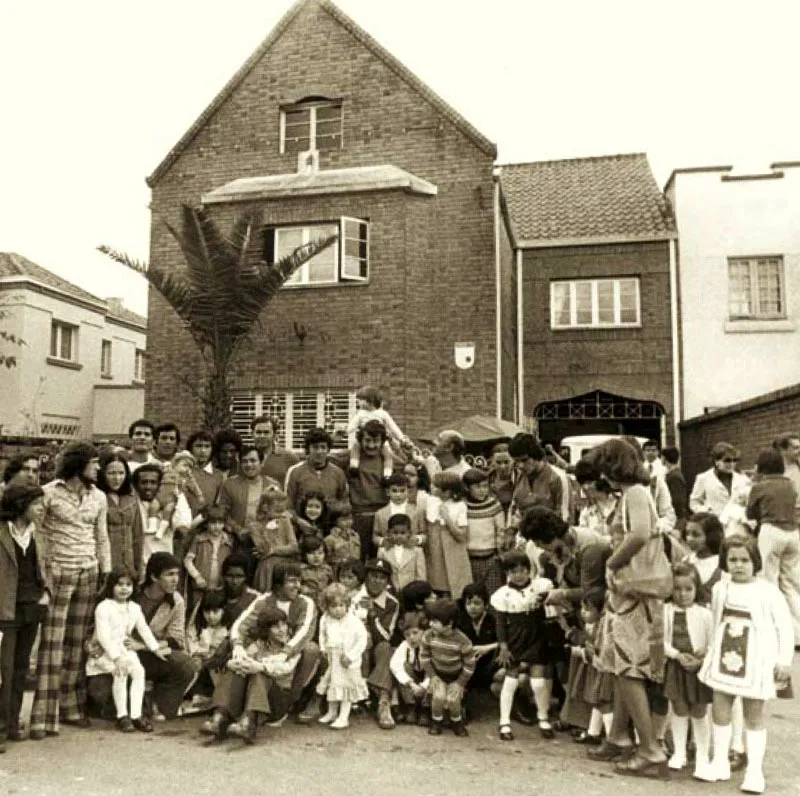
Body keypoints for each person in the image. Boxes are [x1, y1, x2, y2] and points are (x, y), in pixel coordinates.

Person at [584, 439, 672, 779]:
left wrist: (613, 562)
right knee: (620, 664)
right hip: (627, 591)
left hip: (634, 591)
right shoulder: (632, 493)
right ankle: (619, 735)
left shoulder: (635, 492)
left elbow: (639, 534)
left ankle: (651, 749)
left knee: (630, 669)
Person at [698, 535, 793, 793]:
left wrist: (784, 660)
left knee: (753, 714)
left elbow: (784, 626)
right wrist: (710, 652)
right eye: (733, 560)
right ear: (725, 562)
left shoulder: (767, 591)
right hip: (724, 657)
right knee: (720, 709)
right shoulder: (721, 589)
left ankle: (754, 771)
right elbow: (716, 621)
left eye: (744, 560)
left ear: (755, 562)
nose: (739, 565)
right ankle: (719, 762)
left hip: (756, 660)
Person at [30, 442, 111, 739]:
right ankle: (43, 716)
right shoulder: (49, 492)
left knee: (77, 643)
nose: (98, 468)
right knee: (51, 643)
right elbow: (38, 534)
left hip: (88, 571)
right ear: (79, 465)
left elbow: (101, 536)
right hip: (59, 572)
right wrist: (43, 573)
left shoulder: (98, 496)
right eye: (94, 463)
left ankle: (71, 707)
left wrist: (106, 568)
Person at [203, 562, 320, 738]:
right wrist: (238, 650)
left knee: (307, 651)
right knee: (239, 665)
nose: (297, 585)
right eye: (292, 581)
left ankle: (258, 716)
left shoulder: (305, 603)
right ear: (279, 583)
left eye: (299, 581)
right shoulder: (264, 601)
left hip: (284, 675)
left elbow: (304, 632)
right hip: (263, 658)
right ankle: (220, 716)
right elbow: (240, 626)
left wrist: (284, 653)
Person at [85, 567, 167, 733]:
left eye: (128, 584)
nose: (124, 588)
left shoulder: (134, 608)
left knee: (139, 671)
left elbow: (143, 629)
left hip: (123, 648)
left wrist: (155, 648)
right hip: (104, 651)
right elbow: (103, 636)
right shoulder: (104, 606)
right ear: (111, 587)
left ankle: (136, 715)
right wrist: (116, 658)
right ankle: (122, 716)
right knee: (120, 671)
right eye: (119, 584)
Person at [0, 484, 49, 751]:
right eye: (36, 505)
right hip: (4, 609)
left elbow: (47, 566)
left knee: (20, 669)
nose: (41, 509)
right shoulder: (1, 532)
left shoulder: (38, 534)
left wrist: (47, 592)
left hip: (31, 608)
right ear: (21, 505)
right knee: (3, 671)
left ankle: (11, 723)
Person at [490, 550, 554, 741]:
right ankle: (504, 723)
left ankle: (543, 718)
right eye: (513, 572)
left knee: (538, 682)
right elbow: (500, 623)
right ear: (507, 573)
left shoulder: (539, 587)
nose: (519, 575)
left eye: (522, 570)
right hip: (515, 640)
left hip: (536, 638)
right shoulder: (503, 595)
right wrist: (503, 646)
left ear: (529, 570)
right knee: (510, 682)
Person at [662, 562, 713, 775]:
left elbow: (713, 641)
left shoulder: (704, 614)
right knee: (679, 708)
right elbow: (661, 640)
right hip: (676, 665)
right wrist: (676, 654)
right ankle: (679, 752)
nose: (682, 594)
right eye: (677, 589)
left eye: (688, 589)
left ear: (696, 589)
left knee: (699, 710)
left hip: (698, 668)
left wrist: (703, 654)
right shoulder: (665, 611)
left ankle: (702, 755)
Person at [746, 447, 800, 643]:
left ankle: (772, 632)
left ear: (761, 467)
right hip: (793, 533)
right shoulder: (791, 484)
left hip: (771, 531)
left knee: (768, 581)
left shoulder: (760, 486)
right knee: (792, 584)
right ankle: (797, 635)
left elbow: (750, 514)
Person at [224, 606, 301, 744]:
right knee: (236, 670)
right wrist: (234, 663)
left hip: (279, 700)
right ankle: (221, 716)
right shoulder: (260, 644)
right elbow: (246, 658)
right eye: (276, 627)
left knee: (259, 672)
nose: (282, 629)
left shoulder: (292, 646)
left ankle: (248, 723)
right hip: (257, 698)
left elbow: (285, 668)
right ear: (266, 630)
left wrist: (260, 666)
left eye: (283, 624)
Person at [520, 506, 610, 611]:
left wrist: (563, 594)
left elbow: (592, 591)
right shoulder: (560, 546)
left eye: (538, 542)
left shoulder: (589, 547)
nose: (537, 546)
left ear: (549, 537)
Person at [350, 558, 400, 729]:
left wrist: (373, 614)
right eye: (373, 576)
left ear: (387, 582)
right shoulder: (352, 595)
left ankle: (383, 703)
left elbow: (386, 635)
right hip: (354, 648)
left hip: (378, 647)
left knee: (387, 648)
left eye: (382, 578)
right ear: (366, 577)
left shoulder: (392, 602)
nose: (377, 581)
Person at [316, 583, 369, 729]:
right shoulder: (325, 619)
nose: (338, 609)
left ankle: (343, 716)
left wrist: (351, 656)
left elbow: (361, 640)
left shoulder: (353, 621)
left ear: (347, 604)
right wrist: (323, 649)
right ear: (326, 606)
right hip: (332, 656)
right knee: (333, 685)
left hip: (347, 659)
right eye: (333, 606)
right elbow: (322, 635)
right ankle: (332, 712)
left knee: (346, 687)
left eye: (341, 605)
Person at [335, 420, 391, 561]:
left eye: (376, 441)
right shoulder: (351, 456)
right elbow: (327, 459)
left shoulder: (387, 458)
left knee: (379, 558)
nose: (371, 446)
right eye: (367, 440)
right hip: (359, 515)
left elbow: (407, 461)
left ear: (382, 442)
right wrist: (335, 438)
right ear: (360, 440)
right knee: (357, 557)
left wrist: (396, 446)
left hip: (382, 516)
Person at [218, 445, 280, 568]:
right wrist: (238, 530)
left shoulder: (273, 485)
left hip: (266, 541)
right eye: (245, 461)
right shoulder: (230, 484)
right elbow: (222, 512)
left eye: (253, 460)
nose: (249, 465)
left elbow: (279, 514)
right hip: (238, 541)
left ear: (261, 463)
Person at [420, 598, 474, 737]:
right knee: (438, 697)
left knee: (453, 699)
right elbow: (424, 657)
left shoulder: (462, 640)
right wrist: (432, 676)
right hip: (438, 674)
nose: (430, 624)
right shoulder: (428, 635)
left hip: (456, 676)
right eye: (430, 620)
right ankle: (436, 721)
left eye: (435, 621)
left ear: (449, 623)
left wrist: (460, 683)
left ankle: (456, 721)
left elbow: (469, 664)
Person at [425, 472, 472, 599]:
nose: (432, 488)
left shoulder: (459, 506)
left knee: (453, 587)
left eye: (436, 486)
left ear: (447, 492)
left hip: (452, 551)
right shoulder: (429, 501)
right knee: (436, 586)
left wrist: (447, 518)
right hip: (434, 551)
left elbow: (462, 536)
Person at [97, 452, 143, 579]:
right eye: (111, 473)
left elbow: (137, 534)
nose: (117, 478)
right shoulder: (96, 497)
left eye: (121, 473)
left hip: (128, 565)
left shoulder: (132, 496)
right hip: (104, 565)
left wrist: (138, 566)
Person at [285, 427, 348, 515]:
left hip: (331, 524)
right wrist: (300, 523)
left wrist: (337, 509)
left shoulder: (338, 473)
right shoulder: (295, 472)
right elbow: (288, 506)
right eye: (315, 447)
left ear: (328, 449)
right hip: (301, 524)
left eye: (323, 447)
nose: (319, 451)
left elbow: (345, 503)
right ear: (308, 449)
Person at [184, 505, 234, 612]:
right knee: (197, 612)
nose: (217, 527)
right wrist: (197, 576)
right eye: (213, 523)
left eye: (220, 523)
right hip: (201, 586)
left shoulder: (228, 541)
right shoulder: (199, 539)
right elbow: (188, 560)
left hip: (220, 587)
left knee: (216, 612)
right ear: (206, 524)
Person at [463, 468, 507, 590]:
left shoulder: (493, 505)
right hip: (468, 559)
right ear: (467, 488)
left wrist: (499, 551)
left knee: (493, 591)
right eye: (477, 487)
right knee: (473, 591)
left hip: (490, 558)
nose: (482, 490)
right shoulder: (462, 506)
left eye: (485, 486)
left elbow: (500, 530)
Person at [508, 434, 565, 521]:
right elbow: (514, 510)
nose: (520, 465)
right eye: (517, 461)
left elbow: (565, 516)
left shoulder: (558, 477)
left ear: (535, 455)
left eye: (524, 460)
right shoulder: (518, 476)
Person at [251, 490, 299, 593]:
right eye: (277, 510)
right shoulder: (255, 526)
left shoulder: (285, 522)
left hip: (285, 566)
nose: (280, 513)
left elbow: (294, 547)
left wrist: (273, 550)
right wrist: (267, 529)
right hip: (267, 568)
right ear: (264, 507)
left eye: (282, 510)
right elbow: (263, 551)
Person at [390, 612, 430, 725]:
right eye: (407, 634)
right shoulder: (405, 646)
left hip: (427, 680)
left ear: (424, 632)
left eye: (415, 633)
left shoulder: (430, 645)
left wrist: (423, 686)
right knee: (404, 667)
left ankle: (425, 709)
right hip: (413, 682)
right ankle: (411, 706)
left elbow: (436, 670)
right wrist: (410, 683)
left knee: (432, 670)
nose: (411, 637)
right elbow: (395, 664)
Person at [690, 442, 750, 516]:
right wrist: (707, 511)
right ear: (716, 461)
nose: (731, 464)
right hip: (714, 523)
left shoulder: (743, 479)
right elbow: (694, 503)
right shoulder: (703, 478)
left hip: (737, 524)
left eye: (734, 460)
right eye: (727, 460)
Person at [373, 472, 426, 550]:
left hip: (411, 553)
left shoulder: (417, 511)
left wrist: (417, 539)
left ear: (408, 491)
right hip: (389, 553)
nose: (398, 494)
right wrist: (383, 541)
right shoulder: (380, 513)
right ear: (388, 492)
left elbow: (424, 534)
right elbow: (375, 536)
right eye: (394, 491)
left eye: (402, 491)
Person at [683, 513, 724, 605]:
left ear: (710, 536)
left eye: (695, 535)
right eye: (687, 534)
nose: (689, 539)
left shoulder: (721, 565)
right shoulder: (685, 561)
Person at [378, 514, 426, 592]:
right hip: (390, 592)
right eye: (395, 533)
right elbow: (381, 574)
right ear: (388, 533)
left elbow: (421, 576)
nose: (399, 536)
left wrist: (417, 591)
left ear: (409, 533)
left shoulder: (417, 551)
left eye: (403, 533)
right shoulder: (382, 551)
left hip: (411, 593)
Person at [250, 415, 299, 486]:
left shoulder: (289, 458)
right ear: (252, 434)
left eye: (266, 432)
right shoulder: (245, 458)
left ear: (274, 435)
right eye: (258, 432)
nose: (262, 436)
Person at [574, 458, 618, 537]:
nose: (585, 487)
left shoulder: (620, 502)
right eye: (582, 484)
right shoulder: (586, 510)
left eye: (589, 482)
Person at [186, 430, 224, 511]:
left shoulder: (218, 476)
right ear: (191, 448)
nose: (203, 450)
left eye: (207, 446)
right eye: (198, 446)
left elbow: (218, 505)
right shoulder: (184, 472)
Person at [324, 504, 361, 573]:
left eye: (350, 519)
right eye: (344, 520)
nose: (348, 522)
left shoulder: (355, 535)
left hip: (354, 571)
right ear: (335, 521)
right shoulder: (329, 539)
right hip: (336, 571)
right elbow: (326, 559)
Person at [774, 432, 800, 526]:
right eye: (795, 448)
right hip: (787, 519)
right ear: (782, 450)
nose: (799, 450)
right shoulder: (775, 470)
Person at [298, 536, 333, 605]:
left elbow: (332, 585)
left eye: (320, 553)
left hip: (324, 603)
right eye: (311, 553)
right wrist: (303, 589)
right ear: (304, 554)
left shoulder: (327, 569)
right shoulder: (300, 570)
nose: (316, 556)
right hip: (307, 603)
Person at [661, 446, 689, 531]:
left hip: (677, 518)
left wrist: (678, 519)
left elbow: (678, 500)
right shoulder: (672, 474)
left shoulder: (674, 476)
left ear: (664, 458)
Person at [487, 443, 516, 521]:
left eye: (506, 462)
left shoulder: (520, 481)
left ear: (513, 461)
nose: (502, 466)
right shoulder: (484, 480)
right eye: (498, 462)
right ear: (492, 461)